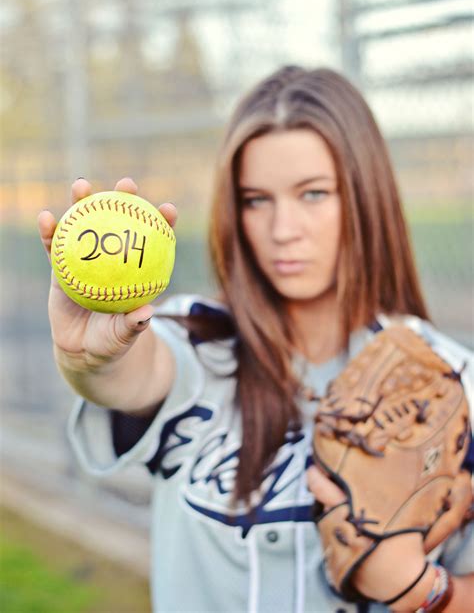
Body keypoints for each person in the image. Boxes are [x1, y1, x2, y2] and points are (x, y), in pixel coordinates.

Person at [38, 66, 473, 612]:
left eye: (313, 194)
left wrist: (420, 590)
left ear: (365, 198)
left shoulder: (450, 381)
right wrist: (93, 360)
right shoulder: (192, 339)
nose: (282, 228)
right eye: (255, 200)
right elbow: (133, 374)